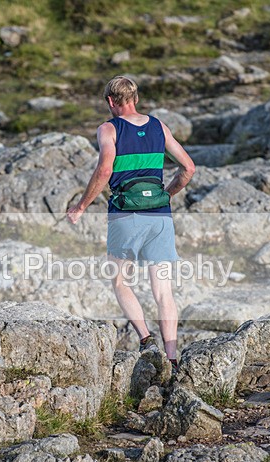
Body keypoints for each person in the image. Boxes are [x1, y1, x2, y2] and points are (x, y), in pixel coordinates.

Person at [67, 75, 195, 368]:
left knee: (119, 280)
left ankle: (146, 339)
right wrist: (167, 194)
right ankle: (173, 357)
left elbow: (104, 170)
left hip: (126, 213)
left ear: (111, 102)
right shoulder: (159, 126)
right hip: (159, 214)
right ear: (135, 99)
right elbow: (188, 168)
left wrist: (81, 206)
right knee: (163, 291)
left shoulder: (109, 129)